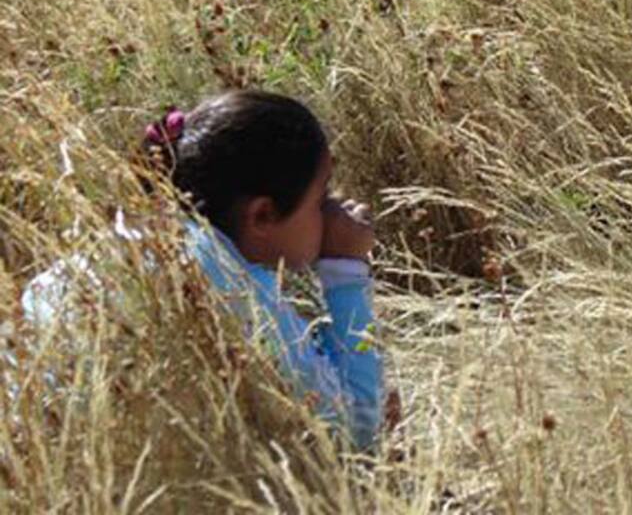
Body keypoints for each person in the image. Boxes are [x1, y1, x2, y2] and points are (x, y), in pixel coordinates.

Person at [21, 91, 383, 450]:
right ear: (261, 216)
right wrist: (345, 269)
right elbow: (357, 423)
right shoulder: (229, 285)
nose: (334, 210)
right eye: (321, 200)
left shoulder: (138, 231)